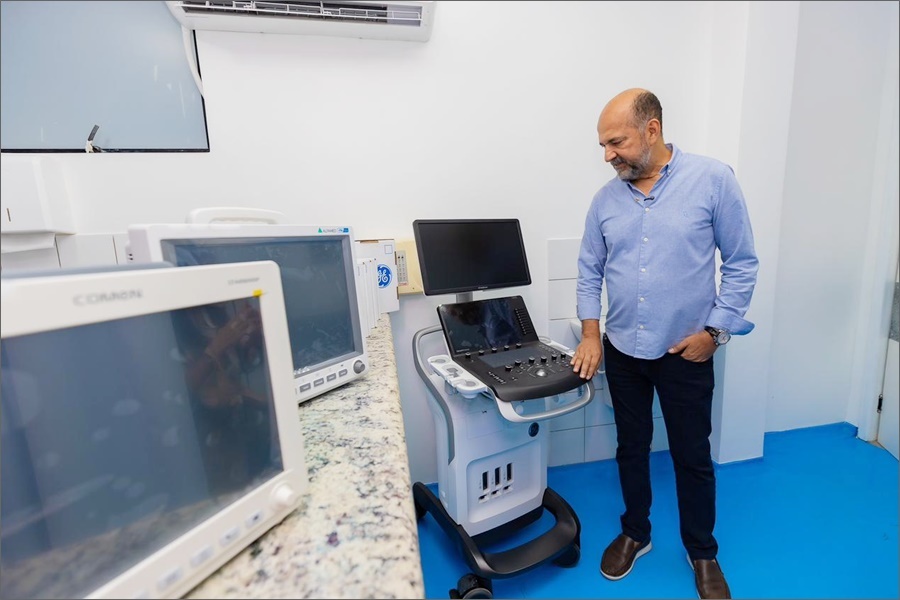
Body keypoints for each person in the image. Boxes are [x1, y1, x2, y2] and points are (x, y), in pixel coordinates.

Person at [571, 88, 758, 600]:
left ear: (651, 129)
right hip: (622, 350)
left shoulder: (713, 180)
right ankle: (636, 532)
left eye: (616, 142)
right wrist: (590, 333)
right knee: (630, 446)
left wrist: (715, 334)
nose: (608, 155)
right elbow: (588, 271)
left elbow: (742, 263)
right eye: (603, 145)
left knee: (691, 454)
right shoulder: (605, 201)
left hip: (685, 351)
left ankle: (702, 552)